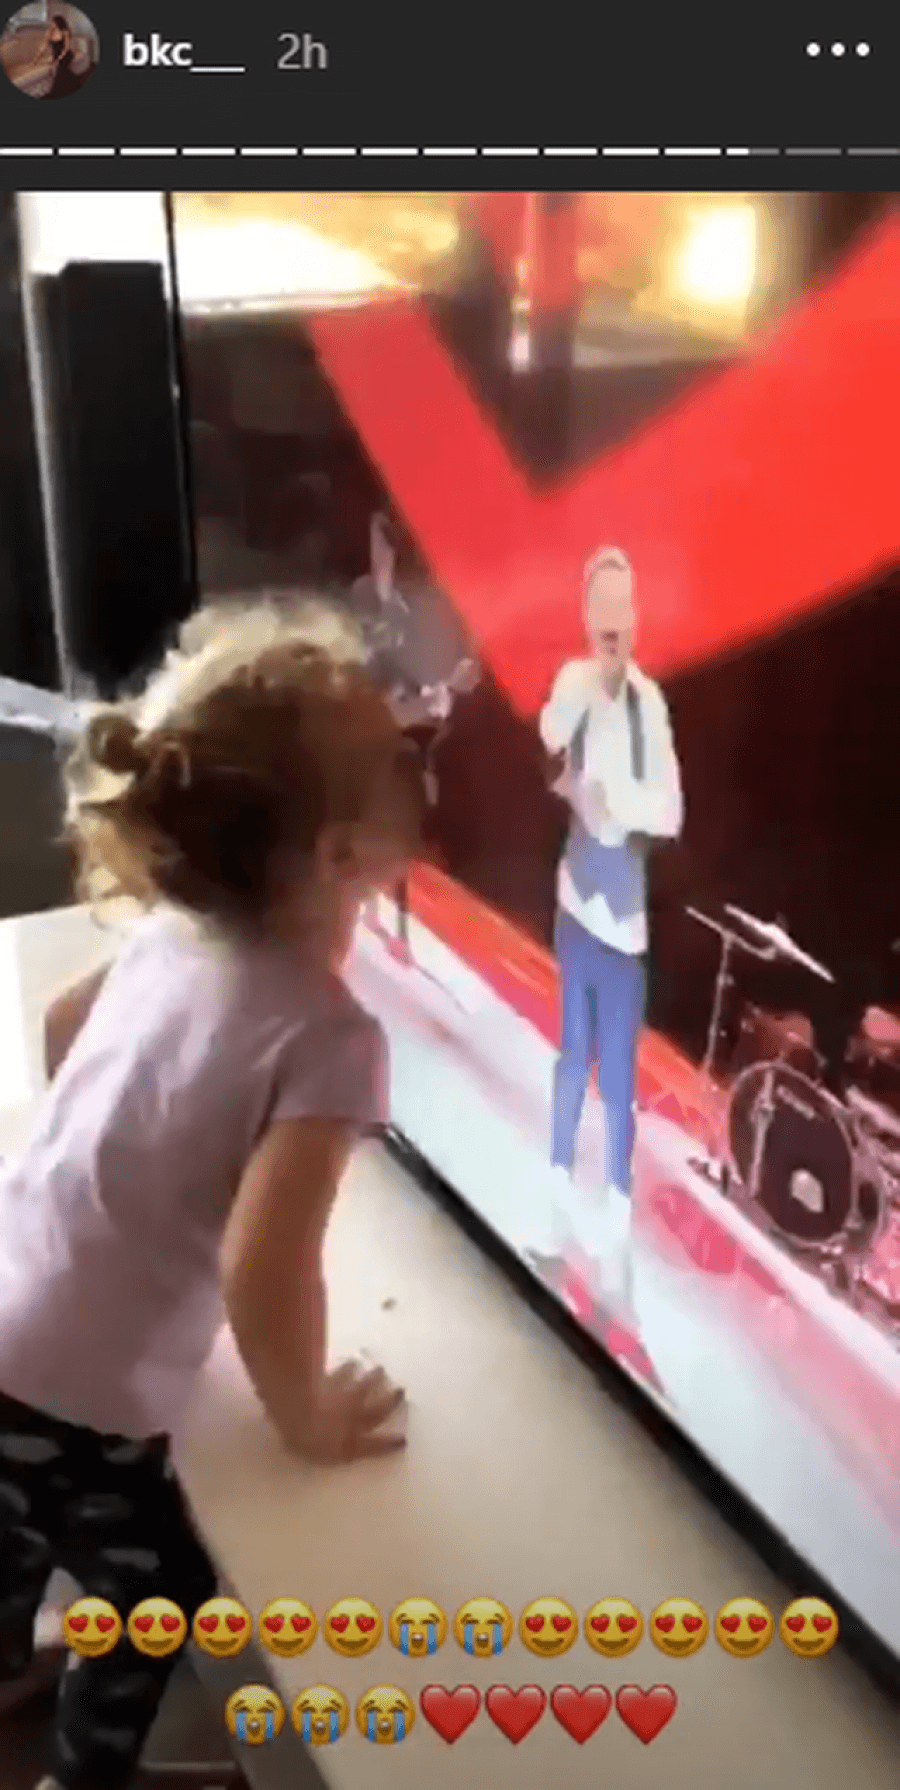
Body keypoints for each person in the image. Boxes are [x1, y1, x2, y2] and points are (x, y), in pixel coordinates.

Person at [0, 598, 422, 1790]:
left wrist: (122, 1172)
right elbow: (260, 1267)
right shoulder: (330, 1033)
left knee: (9, 1533)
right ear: (339, 854)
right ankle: (81, 1772)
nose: (423, 768)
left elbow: (62, 1022)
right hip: (69, 1398)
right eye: (402, 760)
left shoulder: (173, 930)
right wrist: (304, 1414)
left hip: (6, 1294)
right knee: (163, 1590)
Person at [537, 547, 683, 1305]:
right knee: (574, 1053)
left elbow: (671, 811)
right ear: (588, 617)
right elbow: (548, 735)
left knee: (618, 1072)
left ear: (636, 618)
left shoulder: (650, 706)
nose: (612, 622)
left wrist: (615, 805)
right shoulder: (575, 682)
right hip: (576, 902)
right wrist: (574, 725)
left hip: (625, 924)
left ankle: (616, 1205)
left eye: (623, 607)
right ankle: (557, 1181)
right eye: (601, 608)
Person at [350, 512, 479, 963]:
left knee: (400, 822)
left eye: (384, 547)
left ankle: (400, 925)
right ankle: (367, 903)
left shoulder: (411, 609)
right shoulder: (363, 596)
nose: (379, 556)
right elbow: (362, 658)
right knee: (366, 814)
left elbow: (419, 672)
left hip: (401, 727)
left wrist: (435, 690)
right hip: (367, 718)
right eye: (375, 546)